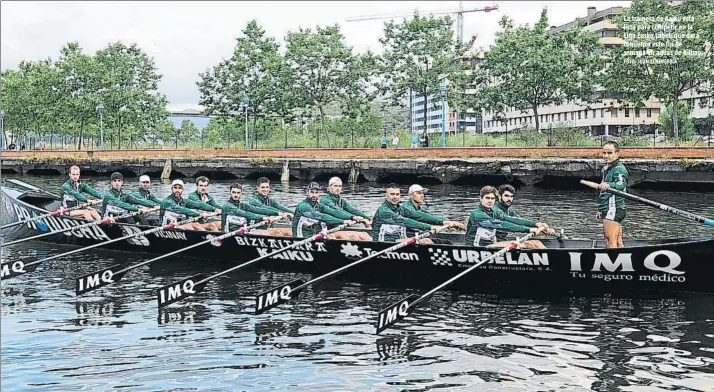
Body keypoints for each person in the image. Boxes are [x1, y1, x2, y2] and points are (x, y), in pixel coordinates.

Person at [465, 186, 546, 249]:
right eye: (487, 198)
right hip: (475, 247)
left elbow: (512, 219)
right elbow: (501, 225)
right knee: (524, 244)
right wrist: (528, 230)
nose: (490, 201)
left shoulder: (494, 212)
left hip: (490, 244)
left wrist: (536, 224)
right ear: (481, 199)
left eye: (492, 198)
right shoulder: (477, 215)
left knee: (536, 243)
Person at [371, 183, 446, 243]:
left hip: (395, 239)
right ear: (386, 196)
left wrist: (444, 221)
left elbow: (418, 215)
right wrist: (430, 227)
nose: (395, 197)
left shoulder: (400, 208)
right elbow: (405, 221)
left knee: (427, 241)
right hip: (381, 241)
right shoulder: (384, 211)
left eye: (397, 194)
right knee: (425, 241)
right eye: (392, 194)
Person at [400, 184, 465, 237]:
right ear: (411, 195)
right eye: (419, 193)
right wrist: (444, 222)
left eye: (423, 193)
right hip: (403, 235)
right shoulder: (406, 208)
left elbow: (431, 217)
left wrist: (450, 222)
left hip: (414, 234)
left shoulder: (419, 209)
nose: (422, 195)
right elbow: (421, 216)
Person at [597, 141, 628, 248]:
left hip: (614, 209)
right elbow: (603, 192)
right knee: (617, 241)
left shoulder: (619, 169)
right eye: (604, 153)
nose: (606, 156)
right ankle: (624, 262)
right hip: (608, 208)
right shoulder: (605, 169)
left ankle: (613, 263)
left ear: (617, 154)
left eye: (609, 153)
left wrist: (608, 185)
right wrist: (601, 209)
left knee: (610, 240)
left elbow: (620, 184)